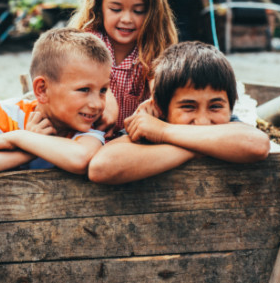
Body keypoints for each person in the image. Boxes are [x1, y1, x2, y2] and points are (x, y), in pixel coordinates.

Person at [0, 28, 112, 180]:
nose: (97, 104)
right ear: (42, 89)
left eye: (103, 90)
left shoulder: (89, 127)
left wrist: (18, 138)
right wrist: (25, 152)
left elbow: (80, 160)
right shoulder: (8, 114)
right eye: (84, 89)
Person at [88, 41, 270, 185]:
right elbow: (101, 168)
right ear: (161, 110)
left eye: (215, 106)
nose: (202, 122)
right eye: (188, 107)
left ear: (230, 106)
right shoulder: (150, 126)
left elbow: (257, 144)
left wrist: (164, 132)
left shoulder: (160, 129)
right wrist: (201, 147)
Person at [68, 0, 178, 135]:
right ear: (100, 6)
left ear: (153, 13)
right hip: (87, 133)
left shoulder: (153, 49)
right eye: (116, 9)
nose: (126, 19)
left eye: (138, 11)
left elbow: (160, 83)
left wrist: (158, 99)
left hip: (133, 137)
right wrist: (105, 94)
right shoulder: (87, 41)